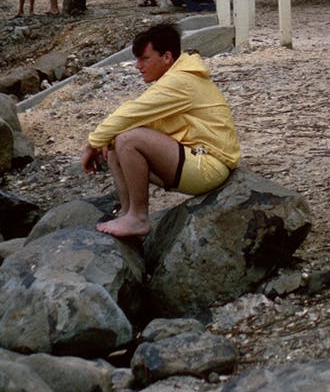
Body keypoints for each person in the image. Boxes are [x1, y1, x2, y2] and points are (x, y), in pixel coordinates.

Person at [80, 23, 240, 238]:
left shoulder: (181, 81)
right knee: (116, 140)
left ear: (166, 57)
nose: (138, 66)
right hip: (194, 159)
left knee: (129, 139)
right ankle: (127, 213)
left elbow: (132, 112)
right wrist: (104, 140)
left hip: (209, 166)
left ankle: (138, 217)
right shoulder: (177, 77)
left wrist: (92, 142)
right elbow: (136, 119)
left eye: (144, 59)